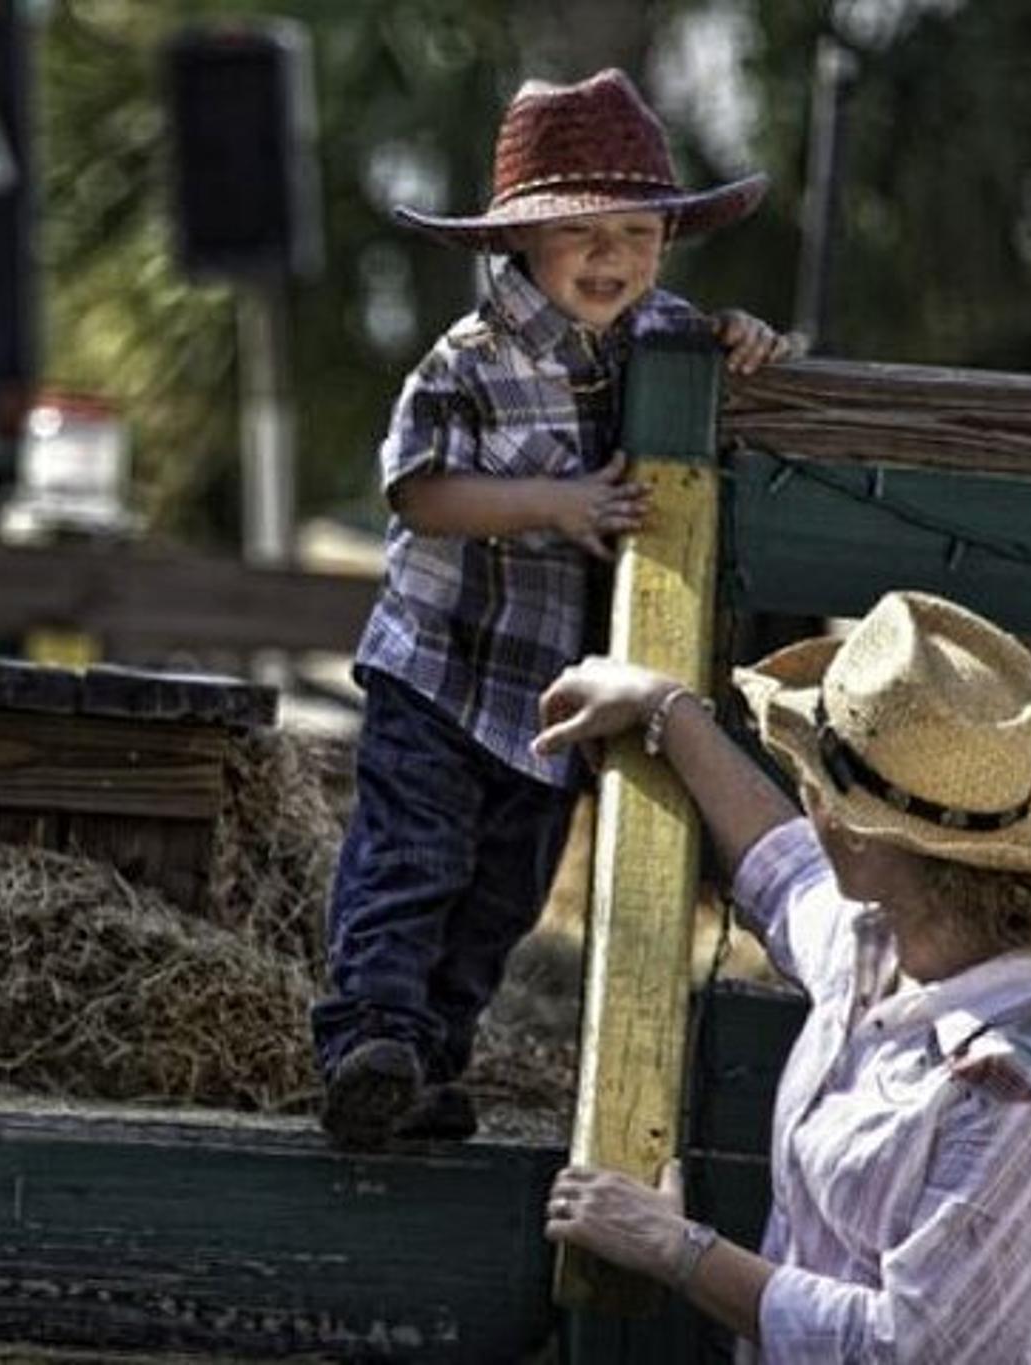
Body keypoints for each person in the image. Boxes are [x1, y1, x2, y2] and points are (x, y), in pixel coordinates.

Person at [312, 68, 795, 1147]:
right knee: (411, 861)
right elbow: (422, 495)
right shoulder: (466, 362)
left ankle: (424, 1066)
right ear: (516, 243)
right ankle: (366, 1040)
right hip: (440, 671)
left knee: (500, 903)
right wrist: (554, 503)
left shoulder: (663, 339)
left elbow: (736, 367)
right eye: (581, 232)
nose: (611, 257)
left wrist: (748, 341)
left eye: (637, 231)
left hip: (549, 701)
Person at [534, 591, 1031, 1360]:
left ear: (863, 838)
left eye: (814, 777)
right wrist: (667, 711)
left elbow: (905, 1348)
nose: (805, 792)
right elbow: (786, 872)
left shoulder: (1023, 1094)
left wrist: (678, 1250)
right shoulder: (898, 939)